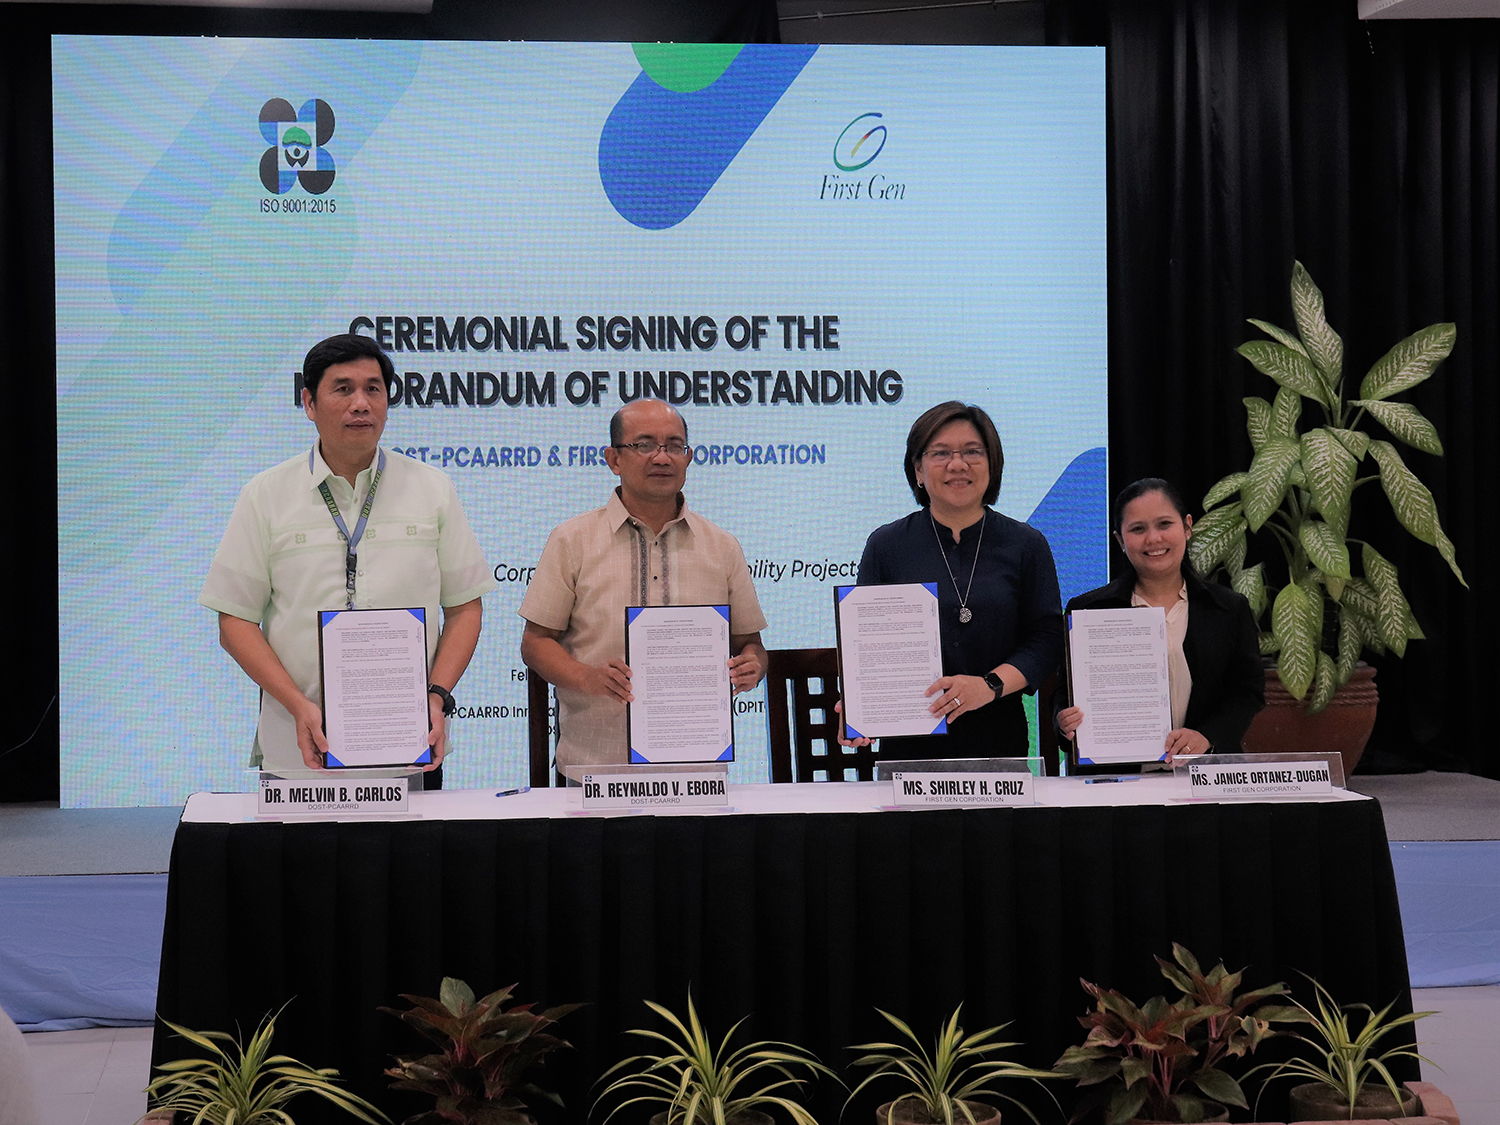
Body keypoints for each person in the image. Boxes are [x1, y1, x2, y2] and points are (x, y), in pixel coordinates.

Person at [200, 333, 495, 780]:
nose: (361, 403)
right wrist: (297, 705)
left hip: (409, 748)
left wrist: (436, 697)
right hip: (299, 753)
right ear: (309, 402)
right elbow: (235, 621)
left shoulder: (432, 489)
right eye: (343, 389)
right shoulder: (266, 494)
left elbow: (465, 609)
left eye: (373, 389)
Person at [519, 399, 768, 776]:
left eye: (675, 446)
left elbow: (751, 645)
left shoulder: (722, 546)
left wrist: (753, 666)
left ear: (688, 457)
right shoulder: (572, 540)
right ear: (613, 459)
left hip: (697, 771)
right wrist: (587, 677)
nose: (662, 457)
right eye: (644, 445)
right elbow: (535, 643)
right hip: (598, 772)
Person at [845, 400, 1064, 759]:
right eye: (941, 453)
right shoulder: (886, 545)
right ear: (917, 470)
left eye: (972, 452)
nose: (957, 464)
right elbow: (866, 646)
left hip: (998, 736)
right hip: (909, 744)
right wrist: (859, 708)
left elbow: (1047, 638)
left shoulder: (1027, 544)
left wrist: (988, 686)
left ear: (992, 466)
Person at [1057, 478, 1264, 762]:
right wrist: (1064, 722)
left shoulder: (1228, 609)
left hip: (1205, 773)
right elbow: (1066, 695)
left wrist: (1206, 736)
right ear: (1120, 540)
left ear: (1187, 526)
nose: (1153, 539)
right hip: (1118, 782)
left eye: (1164, 524)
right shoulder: (1088, 611)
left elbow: (1247, 692)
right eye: (1138, 529)